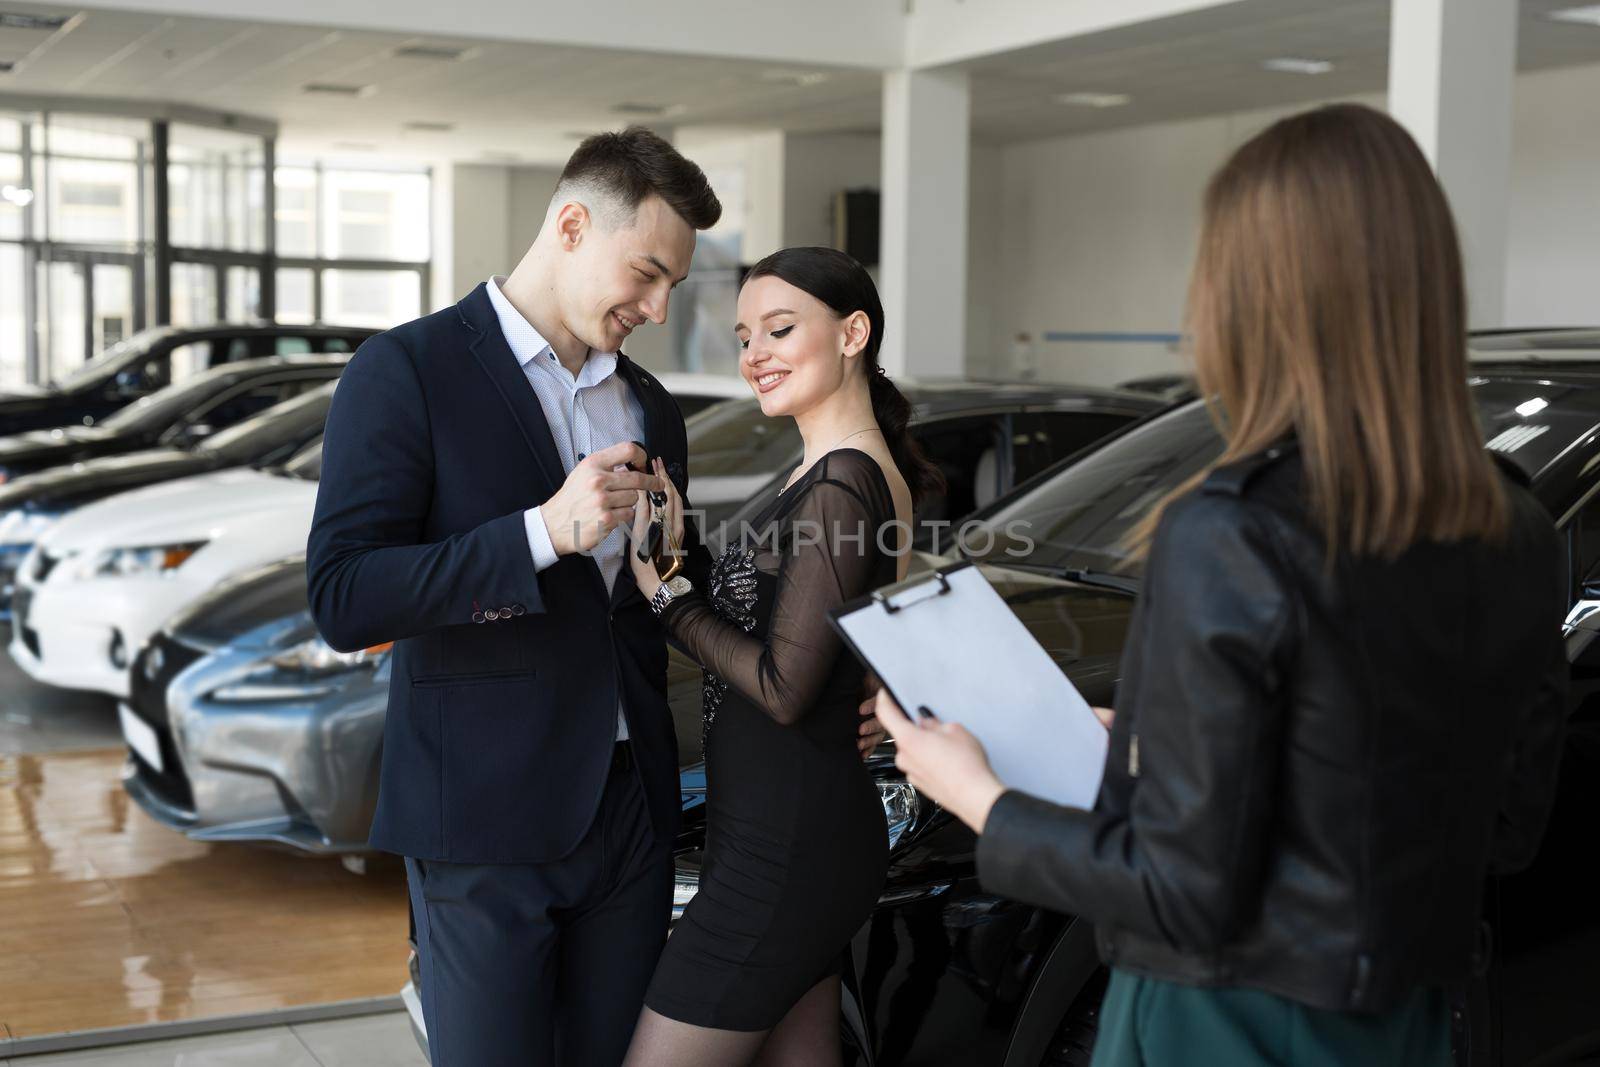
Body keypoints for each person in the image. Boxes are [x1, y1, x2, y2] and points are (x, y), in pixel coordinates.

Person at [875, 103, 1570, 1066]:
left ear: (1250, 293)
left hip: (1226, 1023)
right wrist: (1173, 743)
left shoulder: (1235, 527)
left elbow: (1179, 889)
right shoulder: (1519, 529)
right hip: (1413, 1020)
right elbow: (1495, 826)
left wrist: (980, 796)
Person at [306, 127, 721, 1067]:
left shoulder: (652, 406)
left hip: (632, 814)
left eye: (673, 287)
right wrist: (541, 533)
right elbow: (343, 596)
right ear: (571, 224)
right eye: (647, 273)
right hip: (482, 819)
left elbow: (664, 590)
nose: (657, 307)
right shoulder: (405, 370)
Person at [621, 247, 944, 1066]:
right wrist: (677, 541)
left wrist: (667, 598)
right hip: (786, 836)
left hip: (785, 850)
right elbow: (798, 626)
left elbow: (784, 683)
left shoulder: (843, 480)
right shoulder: (827, 469)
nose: (753, 354)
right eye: (742, 335)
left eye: (779, 329)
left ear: (852, 332)